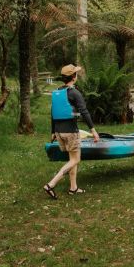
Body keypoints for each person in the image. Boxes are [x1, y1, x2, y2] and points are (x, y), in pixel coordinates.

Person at [43, 64, 99, 199]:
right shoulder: (74, 92)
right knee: (75, 159)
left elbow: (53, 113)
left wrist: (52, 132)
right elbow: (84, 112)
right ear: (73, 77)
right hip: (70, 131)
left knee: (72, 158)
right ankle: (51, 184)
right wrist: (94, 130)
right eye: (76, 73)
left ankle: (73, 188)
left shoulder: (56, 92)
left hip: (58, 132)